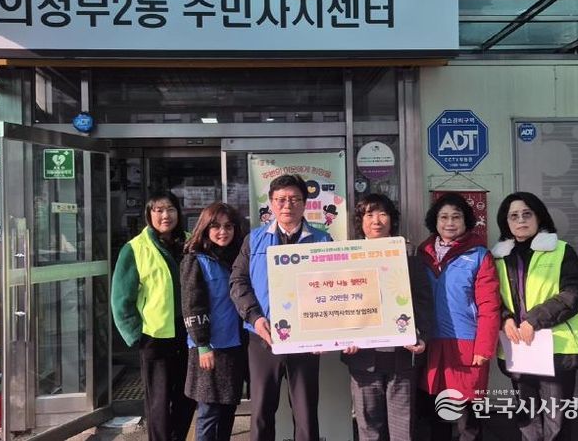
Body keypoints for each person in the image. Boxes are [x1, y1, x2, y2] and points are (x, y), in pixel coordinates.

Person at [229, 174, 333, 441]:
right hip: (262, 337)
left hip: (306, 339)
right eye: (281, 199)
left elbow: (332, 287)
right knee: (261, 411)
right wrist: (255, 317)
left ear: (305, 203)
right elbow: (238, 282)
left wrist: (326, 331)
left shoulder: (322, 240)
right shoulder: (254, 239)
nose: (287, 205)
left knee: (305, 412)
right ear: (271, 203)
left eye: (294, 199)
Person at [492, 192, 578, 441]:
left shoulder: (561, 251)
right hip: (518, 347)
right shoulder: (499, 258)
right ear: (506, 222)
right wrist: (505, 318)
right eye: (513, 216)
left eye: (527, 214)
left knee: (557, 420)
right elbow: (492, 297)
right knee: (527, 417)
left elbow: (574, 293)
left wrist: (533, 321)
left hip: (555, 348)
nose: (520, 220)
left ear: (539, 217)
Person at [341, 193, 434, 441]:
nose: (376, 220)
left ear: (392, 219)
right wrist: (342, 336)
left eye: (382, 214)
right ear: (360, 221)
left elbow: (423, 299)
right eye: (369, 214)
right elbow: (339, 300)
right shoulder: (347, 253)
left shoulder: (408, 252)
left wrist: (422, 336)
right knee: (369, 427)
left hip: (402, 355)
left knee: (403, 429)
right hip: (362, 356)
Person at [111, 191, 196, 441]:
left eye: (170, 209)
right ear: (149, 215)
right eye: (158, 210)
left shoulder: (191, 242)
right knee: (159, 400)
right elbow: (121, 298)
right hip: (155, 335)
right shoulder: (135, 248)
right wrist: (135, 335)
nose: (165, 215)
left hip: (189, 332)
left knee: (187, 395)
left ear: (178, 212)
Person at [417, 192, 501, 441]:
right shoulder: (423, 254)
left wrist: (483, 348)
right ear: (435, 221)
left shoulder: (479, 255)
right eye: (444, 217)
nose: (450, 223)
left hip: (467, 346)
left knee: (467, 420)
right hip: (432, 345)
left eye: (456, 217)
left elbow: (489, 306)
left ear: (466, 221)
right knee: (437, 415)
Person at [181, 202, 246, 441]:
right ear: (205, 228)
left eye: (228, 226)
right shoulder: (196, 260)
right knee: (209, 411)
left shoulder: (238, 257)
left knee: (228, 407)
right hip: (209, 347)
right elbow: (192, 304)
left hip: (234, 345)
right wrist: (203, 344)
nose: (223, 232)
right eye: (216, 226)